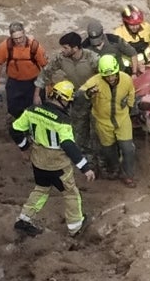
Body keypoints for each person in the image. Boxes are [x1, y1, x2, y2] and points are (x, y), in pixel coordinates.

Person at [9, 80, 96, 236]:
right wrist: (85, 167)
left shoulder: (32, 111)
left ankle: (24, 219)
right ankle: (76, 227)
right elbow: (69, 145)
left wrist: (24, 147)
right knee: (70, 193)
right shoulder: (63, 122)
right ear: (64, 100)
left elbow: (15, 129)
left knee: (41, 189)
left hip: (38, 161)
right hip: (58, 165)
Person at [80, 54, 137, 187]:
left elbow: (131, 94)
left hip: (122, 119)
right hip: (103, 122)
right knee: (108, 150)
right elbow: (80, 94)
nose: (111, 78)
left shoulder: (126, 79)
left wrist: (129, 107)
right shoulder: (94, 82)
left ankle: (128, 175)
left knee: (128, 149)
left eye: (113, 75)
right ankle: (115, 168)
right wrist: (88, 93)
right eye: (107, 76)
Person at [38, 32, 98, 141]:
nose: (62, 50)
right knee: (78, 131)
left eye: (65, 48)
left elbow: (106, 76)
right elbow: (46, 72)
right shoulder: (61, 58)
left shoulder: (92, 58)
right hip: (75, 101)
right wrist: (37, 93)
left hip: (95, 99)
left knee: (97, 130)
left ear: (75, 48)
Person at [0, 21, 48, 118]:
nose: (18, 41)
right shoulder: (5, 47)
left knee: (37, 111)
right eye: (15, 39)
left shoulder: (35, 47)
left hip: (34, 83)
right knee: (14, 110)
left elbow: (45, 67)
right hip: (15, 84)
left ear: (24, 33)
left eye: (20, 37)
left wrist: (49, 84)